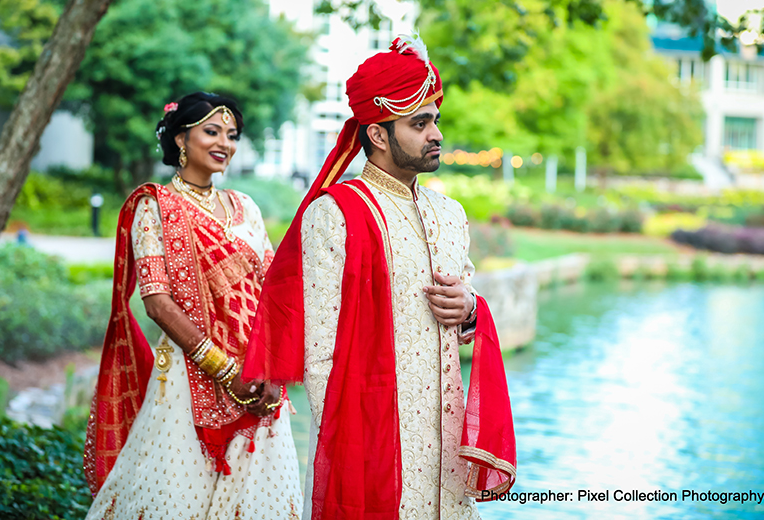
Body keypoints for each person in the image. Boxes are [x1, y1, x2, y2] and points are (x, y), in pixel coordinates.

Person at [243, 34, 516, 520]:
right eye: (419, 123)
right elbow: (321, 351)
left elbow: (465, 313)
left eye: (435, 121)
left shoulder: (450, 214)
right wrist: (353, 452)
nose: (436, 134)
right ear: (377, 134)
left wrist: (472, 310)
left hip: (446, 445)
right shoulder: (336, 214)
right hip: (374, 441)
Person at [83, 92, 303, 520]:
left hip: (259, 379)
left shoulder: (246, 207)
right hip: (184, 380)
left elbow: (273, 291)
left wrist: (272, 371)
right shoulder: (155, 207)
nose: (225, 142)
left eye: (232, 134)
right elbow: (157, 302)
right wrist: (225, 370)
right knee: (176, 499)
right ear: (182, 139)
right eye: (212, 131)